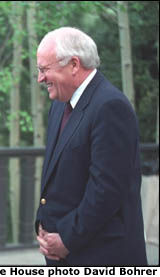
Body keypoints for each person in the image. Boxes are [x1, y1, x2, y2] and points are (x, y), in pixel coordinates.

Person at [34, 27, 148, 266]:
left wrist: (66, 238)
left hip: (101, 255)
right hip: (62, 252)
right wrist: (43, 225)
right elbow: (57, 176)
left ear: (74, 65)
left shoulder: (111, 107)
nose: (40, 79)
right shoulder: (59, 104)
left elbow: (106, 191)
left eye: (44, 70)